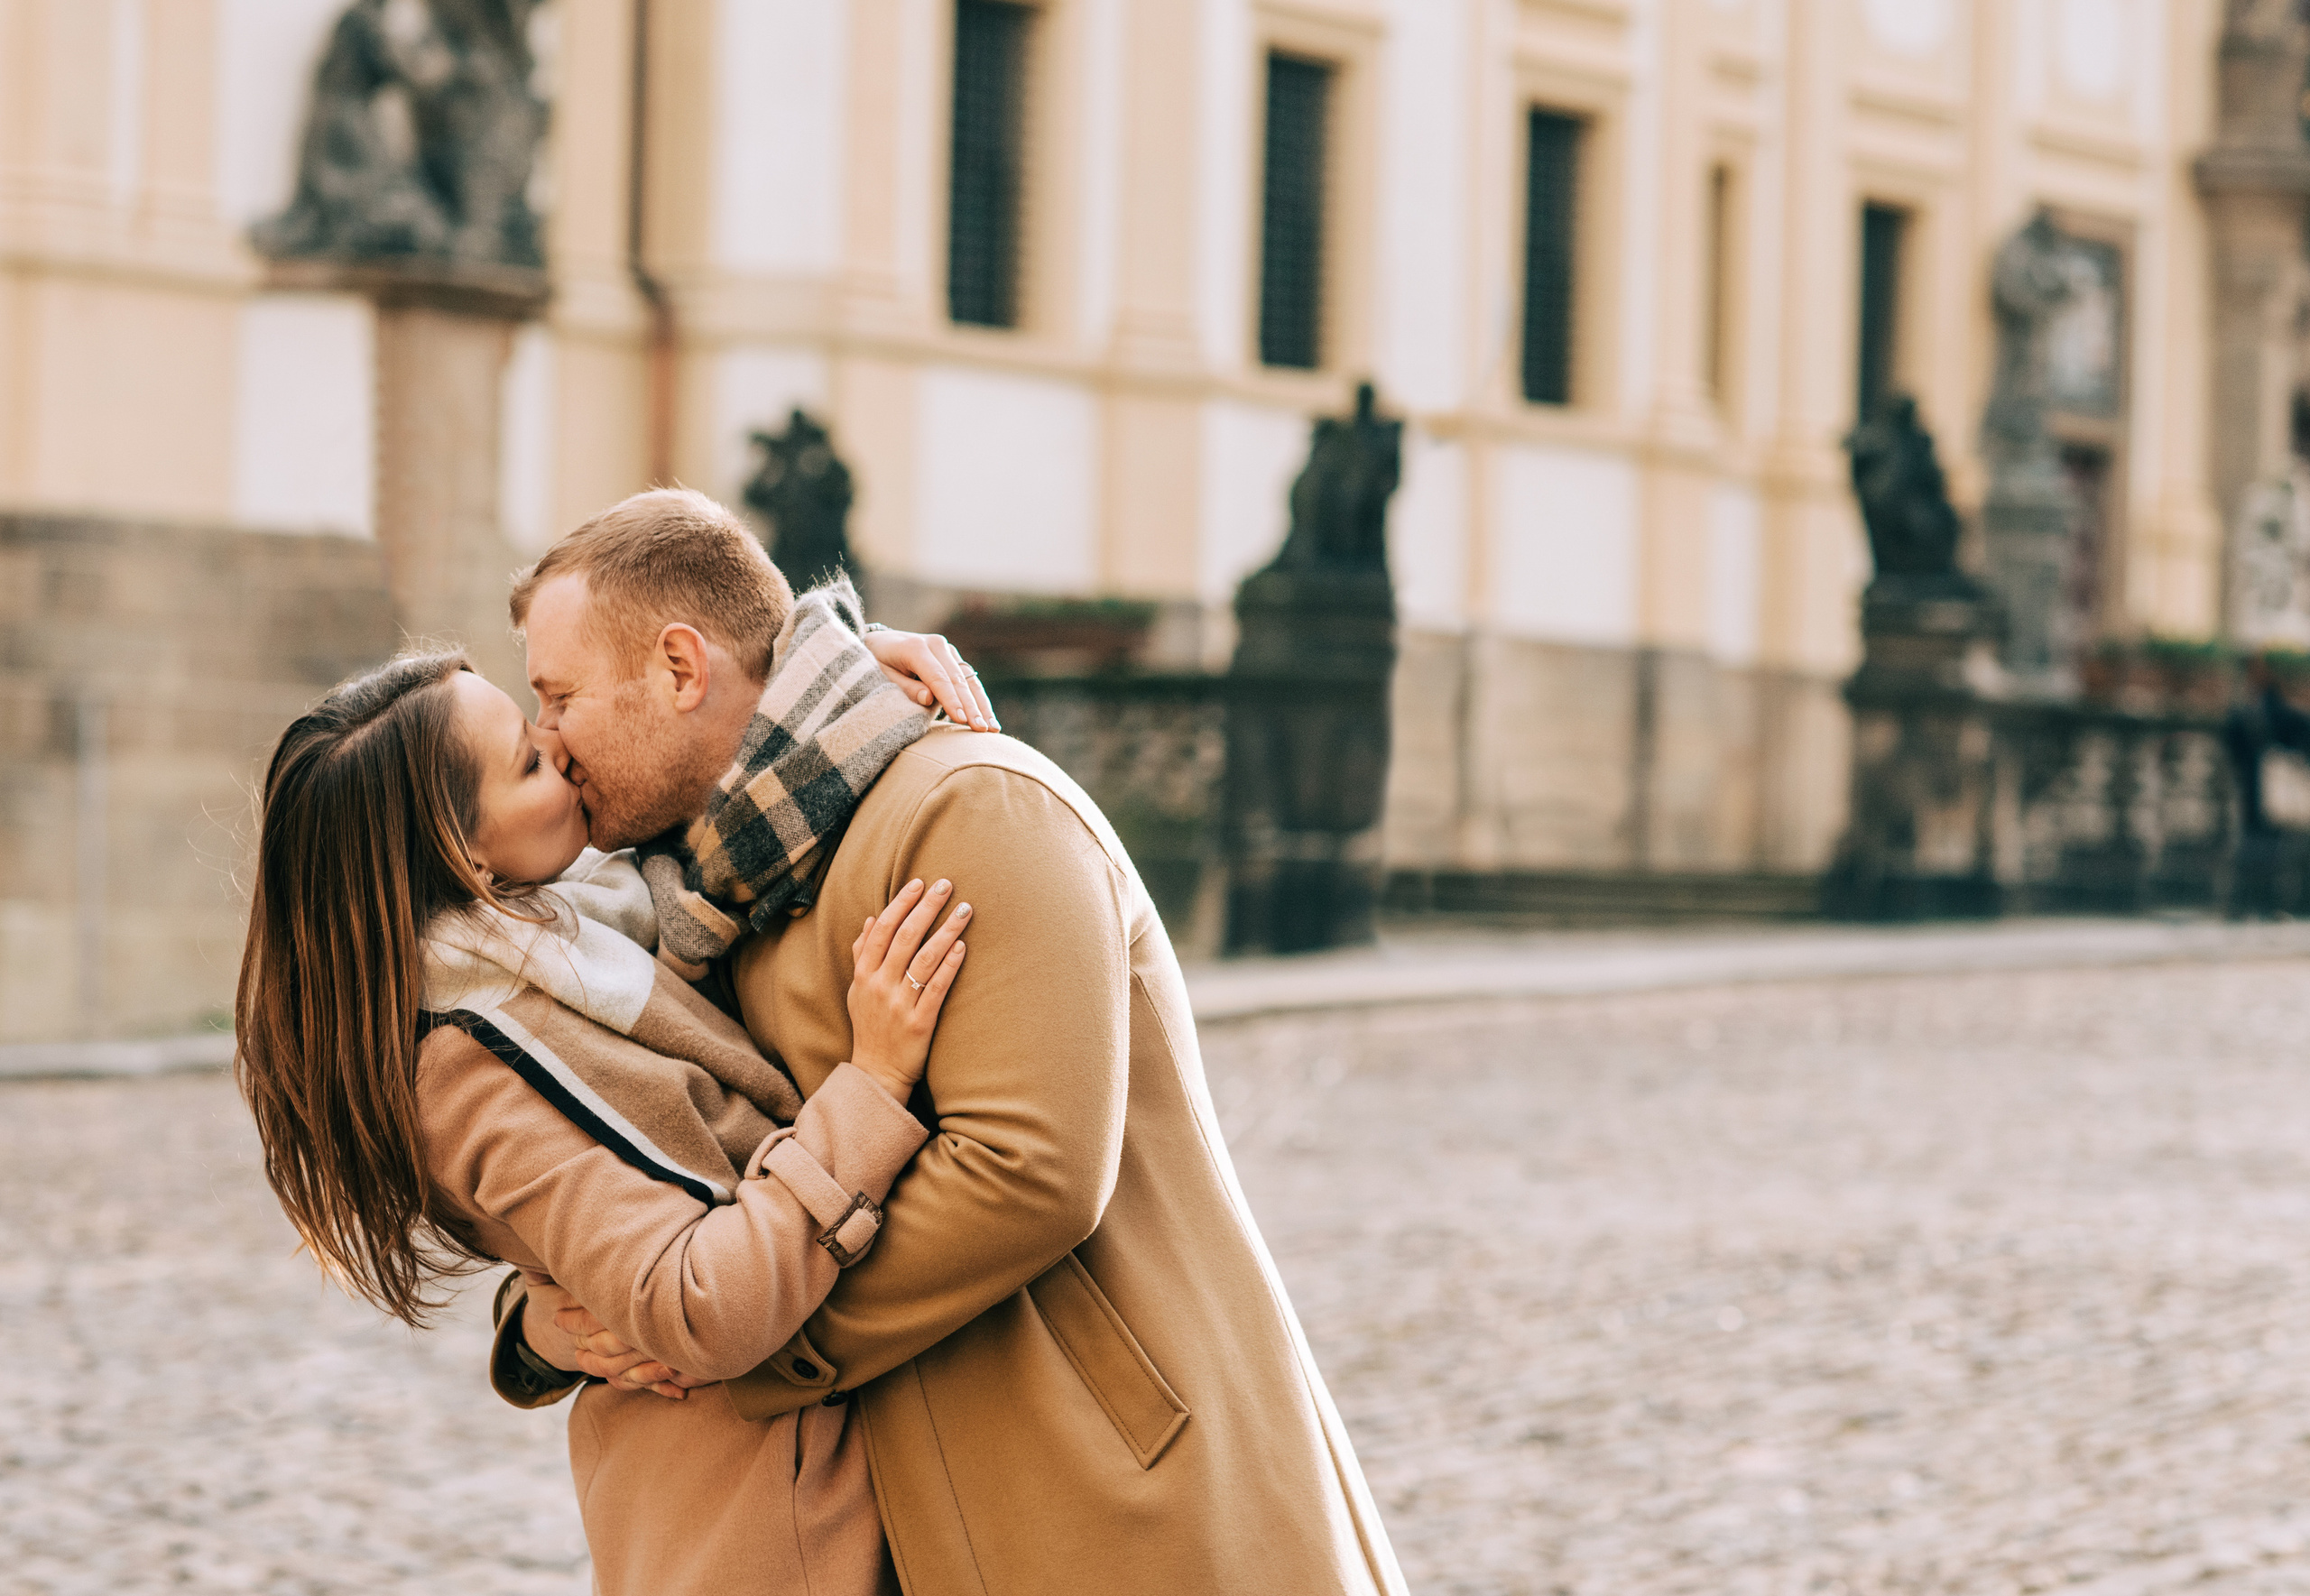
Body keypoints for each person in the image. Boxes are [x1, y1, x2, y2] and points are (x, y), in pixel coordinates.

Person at [503, 488, 1407, 1595]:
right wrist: (547, 1314)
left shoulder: (969, 807)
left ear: (682, 670)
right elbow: (654, 1154)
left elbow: (1026, 1170)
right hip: (918, 1507)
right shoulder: (698, 891)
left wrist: (742, 1334)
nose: (545, 738)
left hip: (1116, 1499)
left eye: (558, 697)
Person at [235, 618, 994, 1594]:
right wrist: (874, 1082)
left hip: (788, 1472)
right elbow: (698, 1303)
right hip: (764, 1518)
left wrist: (833, 675)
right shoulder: (466, 1061)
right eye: (526, 759)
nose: (559, 745)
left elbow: (719, 787)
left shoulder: (580, 917)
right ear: (467, 858)